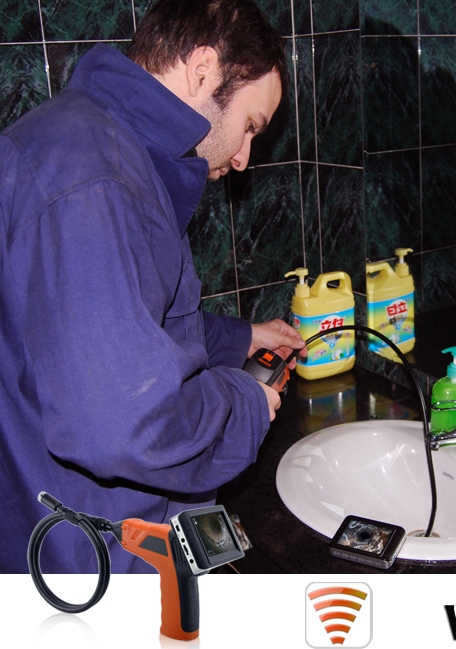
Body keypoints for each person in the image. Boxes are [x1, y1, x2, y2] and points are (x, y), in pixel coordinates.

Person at [0, 0, 306, 573]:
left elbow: (126, 327)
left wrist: (240, 338)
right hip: (96, 563)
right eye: (249, 127)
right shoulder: (93, 179)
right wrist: (243, 403)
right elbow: (126, 424)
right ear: (203, 70)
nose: (244, 158)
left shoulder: (94, 142)